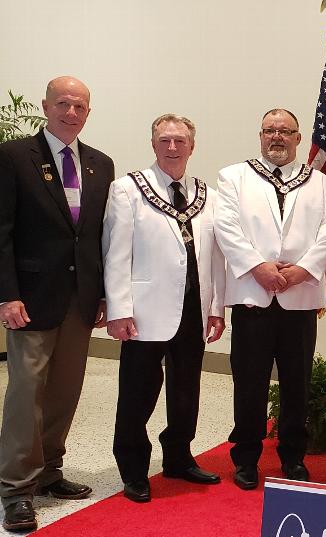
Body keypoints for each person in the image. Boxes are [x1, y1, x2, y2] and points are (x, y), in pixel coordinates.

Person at [0, 76, 114, 532]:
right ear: (46, 106)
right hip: (29, 297)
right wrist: (7, 293)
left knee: (65, 391)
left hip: (80, 298)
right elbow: (1, 231)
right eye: (63, 103)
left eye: (80, 105)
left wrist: (105, 292)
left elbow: (100, 237)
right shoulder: (13, 157)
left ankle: (50, 472)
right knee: (27, 394)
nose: (71, 112)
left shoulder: (100, 164)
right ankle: (16, 489)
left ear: (88, 112)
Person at [102, 114, 228, 503]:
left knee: (187, 387)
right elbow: (116, 254)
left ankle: (178, 457)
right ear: (153, 144)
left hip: (194, 306)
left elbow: (216, 257)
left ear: (193, 146)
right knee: (138, 391)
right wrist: (119, 309)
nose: (172, 147)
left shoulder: (206, 194)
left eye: (180, 141)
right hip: (144, 310)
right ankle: (134, 469)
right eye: (164, 140)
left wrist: (216, 307)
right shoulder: (128, 189)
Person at [215, 109, 326, 490]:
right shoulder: (233, 177)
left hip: (299, 299)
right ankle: (246, 459)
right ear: (260, 135)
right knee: (249, 383)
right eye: (270, 130)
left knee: (296, 384)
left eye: (285, 131)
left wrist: (303, 269)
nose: (277, 137)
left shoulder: (323, 184)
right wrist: (259, 267)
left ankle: (293, 457)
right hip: (253, 297)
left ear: (299, 138)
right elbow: (227, 229)